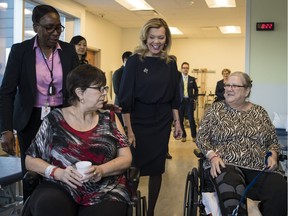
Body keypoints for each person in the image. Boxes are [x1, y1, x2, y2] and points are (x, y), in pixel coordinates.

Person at [25, 64, 132, 216]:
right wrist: (57, 173)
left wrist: (101, 170)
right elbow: (30, 160)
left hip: (105, 188)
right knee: (47, 205)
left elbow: (126, 159)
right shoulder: (54, 120)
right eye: (99, 89)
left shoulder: (110, 118)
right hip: (62, 185)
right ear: (79, 92)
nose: (105, 94)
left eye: (105, 88)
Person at [0, 4, 79, 199]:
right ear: (36, 27)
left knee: (61, 168)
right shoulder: (21, 51)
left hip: (62, 117)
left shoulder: (68, 51)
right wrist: (6, 129)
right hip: (31, 120)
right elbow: (6, 92)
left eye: (58, 27)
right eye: (48, 27)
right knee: (32, 175)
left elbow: (78, 86)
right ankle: (31, 209)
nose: (55, 33)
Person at [196, 71, 287, 216]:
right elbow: (201, 137)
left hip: (259, 166)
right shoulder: (215, 110)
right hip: (226, 164)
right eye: (227, 85)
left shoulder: (259, 112)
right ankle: (248, 206)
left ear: (247, 91)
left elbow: (272, 141)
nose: (228, 88)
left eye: (234, 85)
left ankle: (251, 205)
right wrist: (212, 156)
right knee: (231, 191)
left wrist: (274, 155)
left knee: (280, 188)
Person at [118, 18, 183, 216]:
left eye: (160, 37)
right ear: (145, 38)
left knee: (157, 168)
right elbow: (125, 99)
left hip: (162, 121)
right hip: (138, 120)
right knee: (133, 167)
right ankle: (130, 207)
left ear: (166, 39)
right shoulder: (134, 61)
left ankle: (151, 212)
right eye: (152, 37)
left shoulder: (170, 63)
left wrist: (178, 123)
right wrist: (129, 130)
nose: (156, 41)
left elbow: (174, 97)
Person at [179, 62, 198, 142]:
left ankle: (194, 136)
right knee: (180, 119)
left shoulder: (192, 79)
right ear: (181, 69)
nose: (185, 69)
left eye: (187, 68)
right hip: (180, 102)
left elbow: (196, 90)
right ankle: (183, 136)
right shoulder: (178, 79)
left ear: (188, 69)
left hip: (189, 101)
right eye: (184, 68)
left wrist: (194, 98)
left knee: (191, 119)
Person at [112, 51, 132, 125]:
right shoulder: (118, 73)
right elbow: (117, 90)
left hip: (130, 107)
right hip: (120, 106)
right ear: (125, 60)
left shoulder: (132, 73)